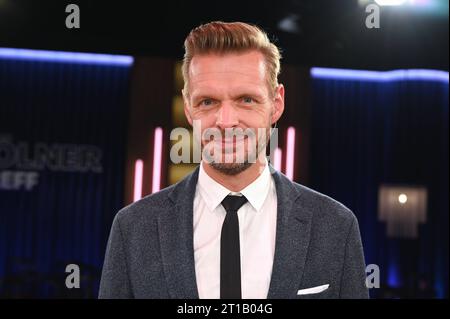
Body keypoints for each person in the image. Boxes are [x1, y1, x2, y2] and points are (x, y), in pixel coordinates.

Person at [99, 21, 369, 299]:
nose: (226, 122)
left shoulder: (336, 226)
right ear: (189, 108)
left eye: (246, 100)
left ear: (276, 103)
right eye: (207, 102)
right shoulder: (132, 229)